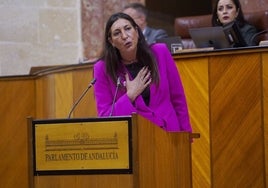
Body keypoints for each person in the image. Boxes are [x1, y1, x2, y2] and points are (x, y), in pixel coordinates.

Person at [93, 12, 192, 132]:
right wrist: (130, 96)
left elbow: (178, 99)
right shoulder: (103, 69)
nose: (124, 36)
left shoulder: (160, 53)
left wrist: (186, 137)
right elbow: (105, 117)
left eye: (128, 29)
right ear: (111, 41)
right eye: (117, 33)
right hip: (135, 137)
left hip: (169, 134)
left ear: (137, 31)